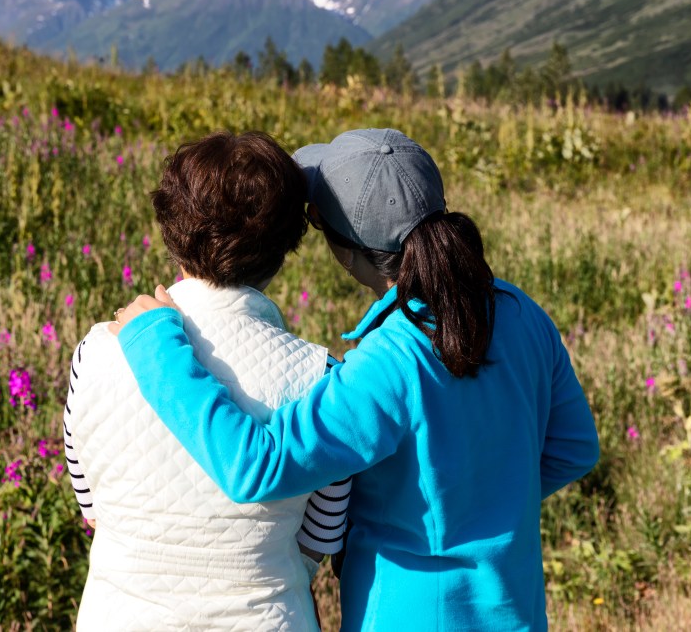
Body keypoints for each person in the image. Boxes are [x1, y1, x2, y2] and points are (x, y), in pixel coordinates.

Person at [110, 128, 600, 631]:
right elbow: (575, 448)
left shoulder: (392, 359)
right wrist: (484, 502)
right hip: (516, 611)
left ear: (348, 251)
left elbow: (254, 468)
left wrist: (155, 345)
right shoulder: (520, 313)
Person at [63, 131, 350, 631]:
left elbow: (91, 507)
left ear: (172, 230)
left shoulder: (96, 352)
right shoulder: (323, 379)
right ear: (286, 246)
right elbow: (321, 539)